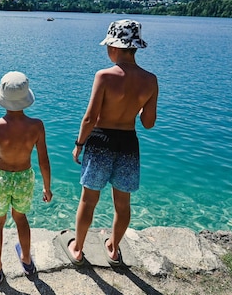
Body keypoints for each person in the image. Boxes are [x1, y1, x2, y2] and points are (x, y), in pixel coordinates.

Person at [59, 19, 158, 267]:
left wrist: (79, 144)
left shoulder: (103, 76)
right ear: (134, 47)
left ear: (115, 47)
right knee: (122, 204)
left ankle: (78, 249)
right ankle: (113, 248)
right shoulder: (151, 80)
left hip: (100, 142)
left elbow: (90, 117)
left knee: (88, 200)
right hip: (128, 144)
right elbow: (148, 122)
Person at [0, 71, 53, 284]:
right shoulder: (36, 125)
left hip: (1, 179)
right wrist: (47, 187)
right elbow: (43, 160)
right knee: (20, 218)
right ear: (26, 98)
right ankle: (27, 260)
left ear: (2, 98)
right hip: (25, 179)